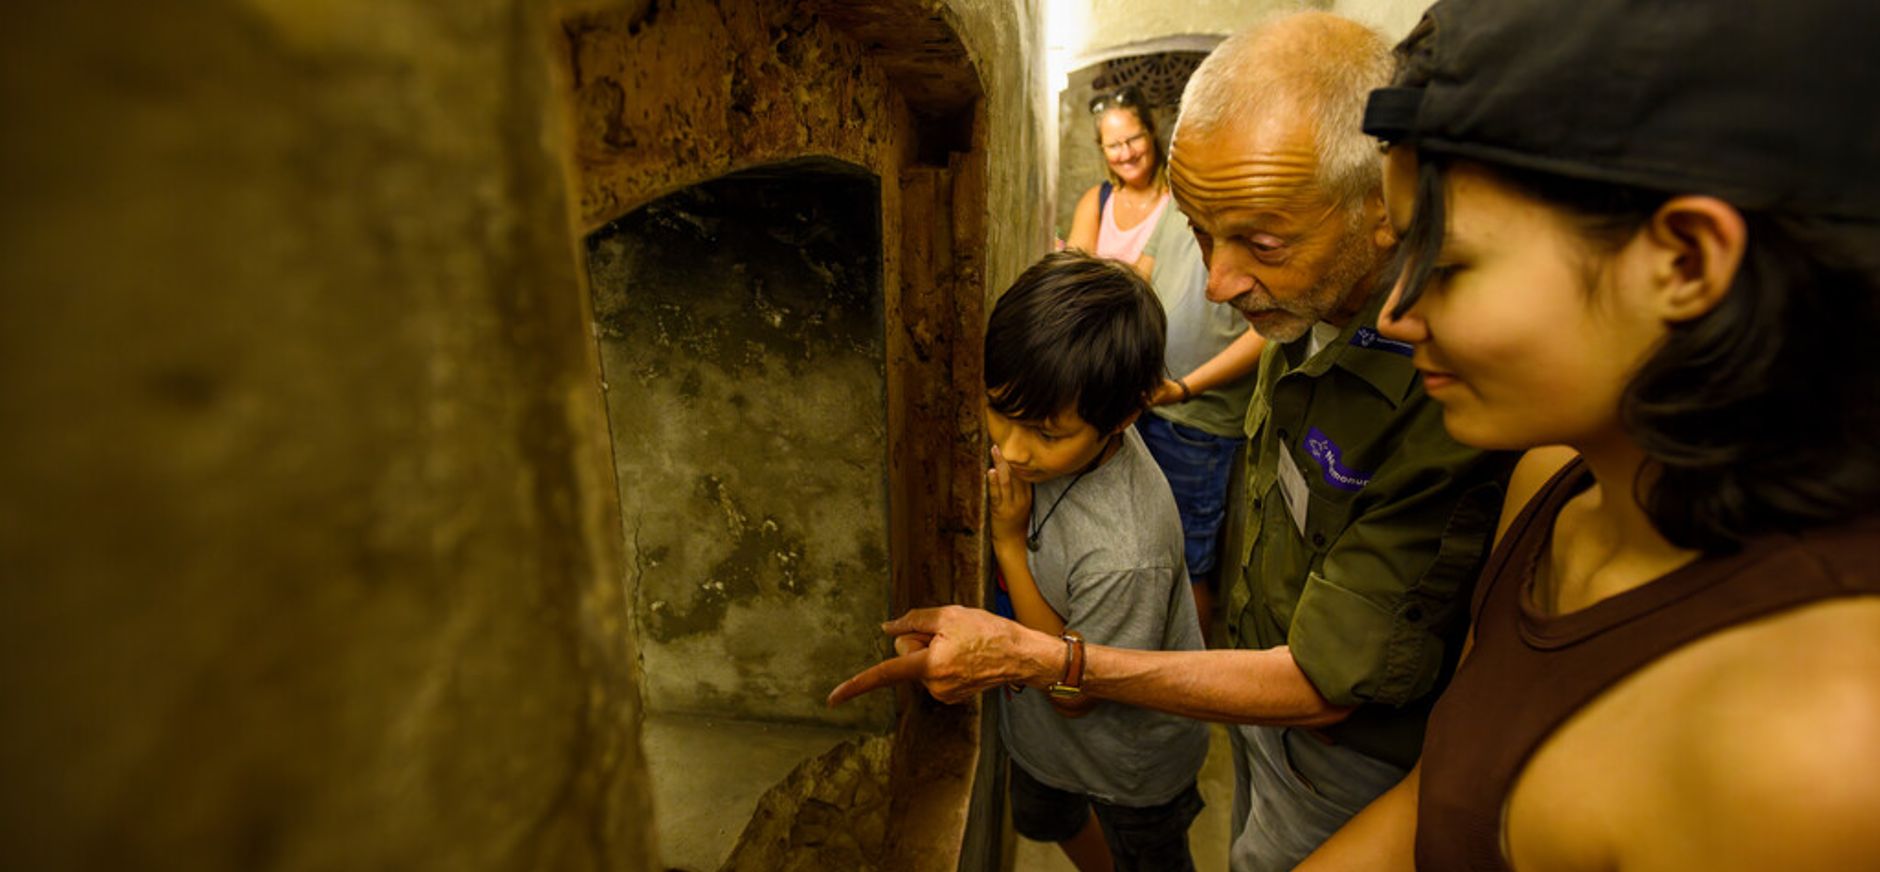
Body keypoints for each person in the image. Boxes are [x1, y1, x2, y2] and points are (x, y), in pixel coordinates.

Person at [832, 13, 1513, 871]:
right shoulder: (1299, 312)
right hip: (1255, 717)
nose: (1222, 285)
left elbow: (1326, 686)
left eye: (1260, 242)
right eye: (1197, 231)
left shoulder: (1445, 392)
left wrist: (1042, 655)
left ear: (1385, 208)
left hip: (1336, 760)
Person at [1296, 1, 1880, 869]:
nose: (1398, 312)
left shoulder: (1812, 750)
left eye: (1447, 265)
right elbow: (1442, 798)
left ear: (1684, 259)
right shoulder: (1550, 488)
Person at [981, 251, 1209, 871]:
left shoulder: (1126, 552)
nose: (1013, 449)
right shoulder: (1066, 404)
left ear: (1125, 417)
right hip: (1042, 743)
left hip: (1128, 765)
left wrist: (1009, 543)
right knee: (1045, 816)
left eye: (1047, 436)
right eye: (1000, 410)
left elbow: (1072, 692)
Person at [1065, 87, 1172, 276]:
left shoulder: (1176, 201)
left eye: (1134, 139)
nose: (1127, 153)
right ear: (1102, 148)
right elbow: (1073, 276)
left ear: (1151, 132)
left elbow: (1148, 278)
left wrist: (1098, 273)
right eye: (1114, 145)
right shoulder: (1096, 201)